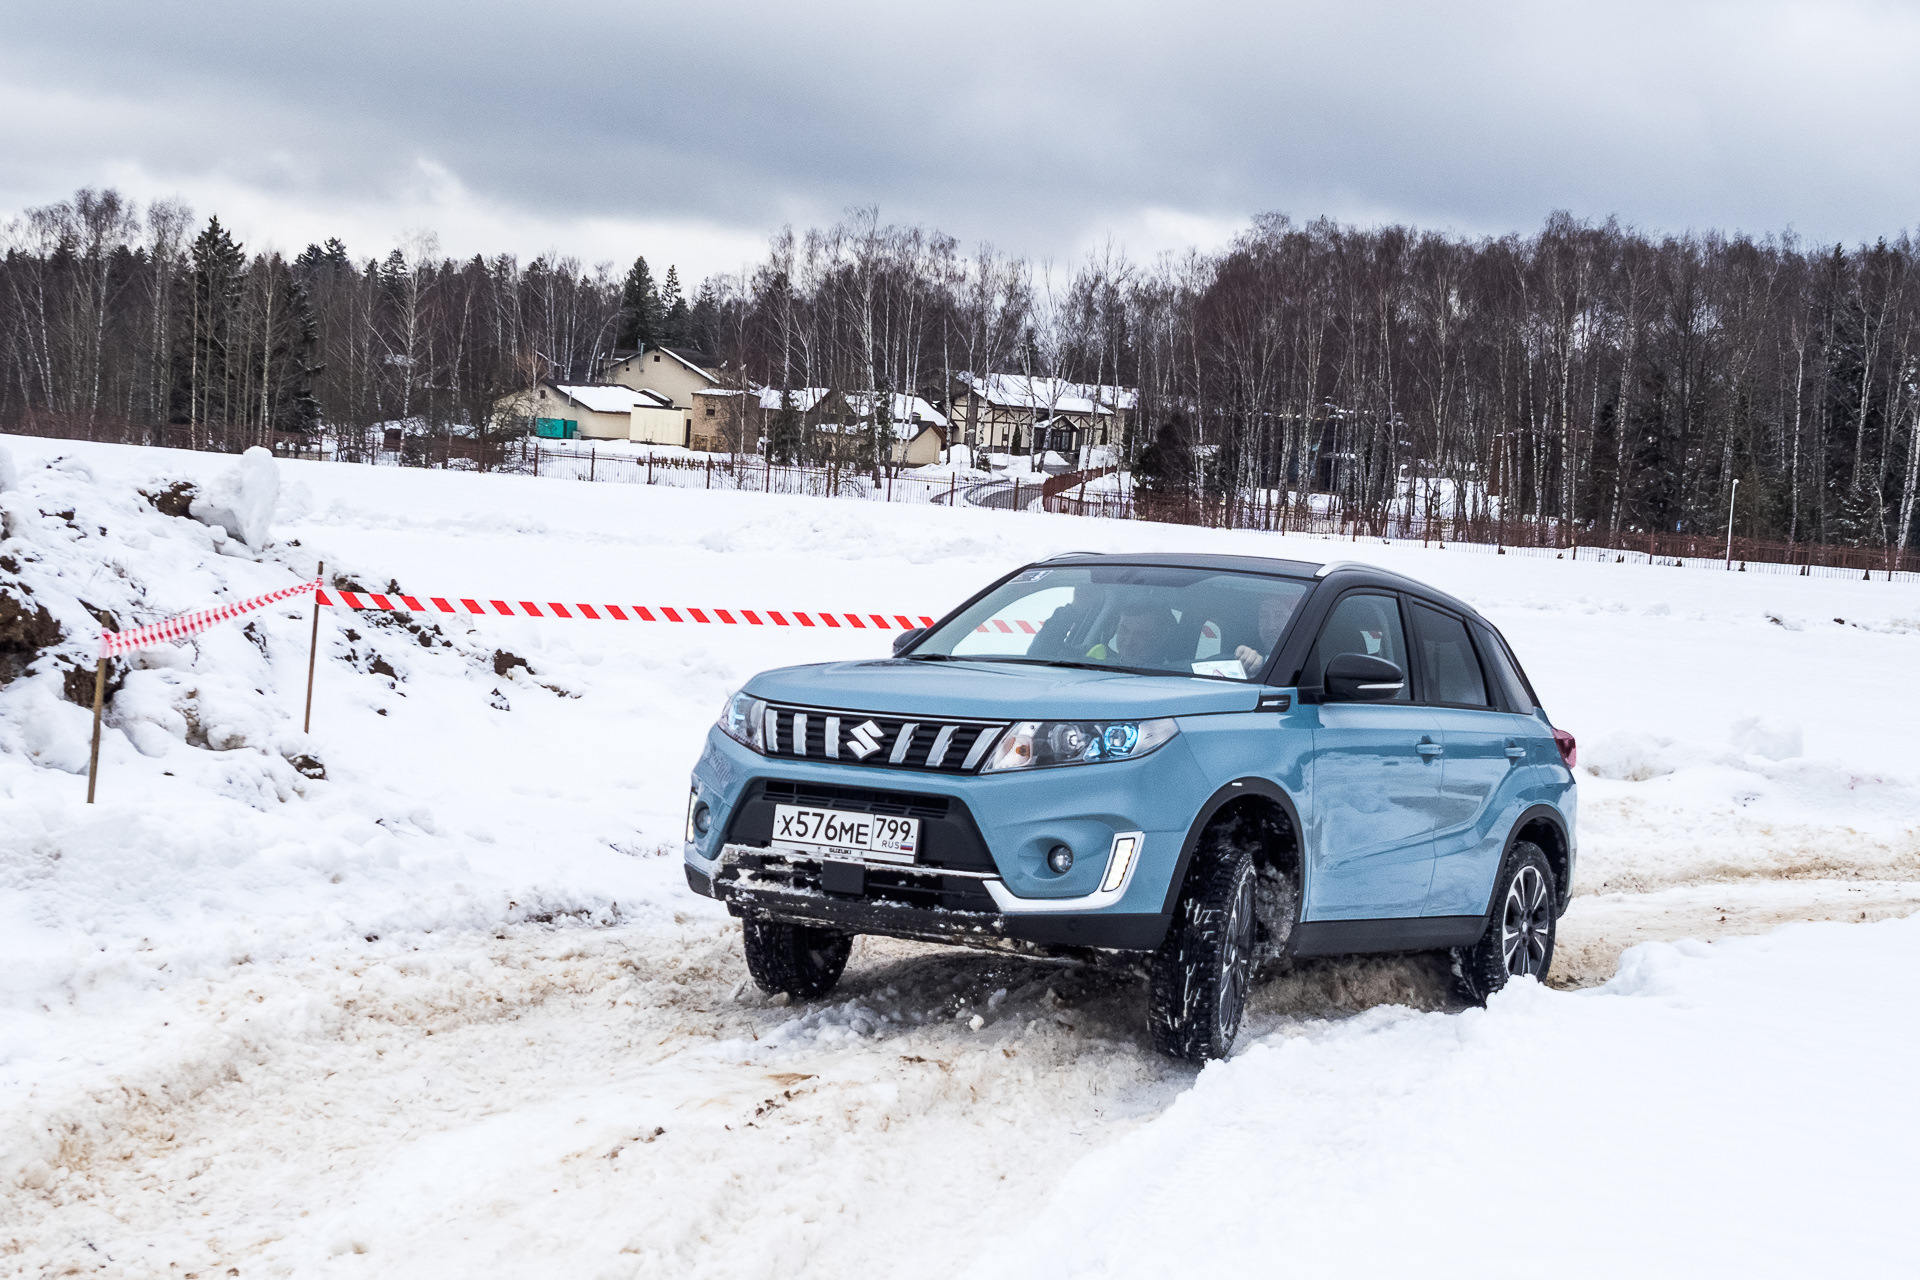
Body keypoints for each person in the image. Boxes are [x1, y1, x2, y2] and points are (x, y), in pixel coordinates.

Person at [1087, 606, 1177, 666]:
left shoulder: (1173, 677)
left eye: (1141, 635)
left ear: (1160, 639)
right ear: (1114, 629)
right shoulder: (1094, 662)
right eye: (1124, 630)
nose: (1128, 642)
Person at [1235, 593, 1298, 676]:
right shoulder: (1247, 656)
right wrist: (1244, 662)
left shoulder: (1306, 659)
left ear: (1295, 622)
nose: (1271, 627)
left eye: (1279, 616)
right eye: (1264, 616)